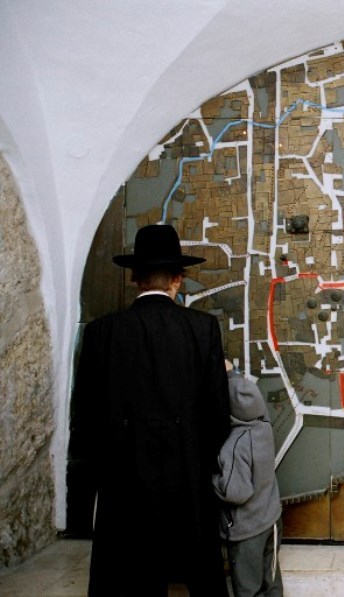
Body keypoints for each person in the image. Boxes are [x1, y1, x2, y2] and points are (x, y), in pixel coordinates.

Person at [70, 224, 231, 596]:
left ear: (134, 278)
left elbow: (87, 415)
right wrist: (196, 457)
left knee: (126, 573)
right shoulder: (203, 328)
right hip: (187, 475)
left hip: (124, 479)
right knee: (200, 572)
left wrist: (105, 468)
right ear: (178, 279)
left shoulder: (101, 333)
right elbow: (217, 412)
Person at [213, 361, 283, 596]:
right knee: (271, 582)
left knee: (248, 589)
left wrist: (214, 479)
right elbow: (241, 391)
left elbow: (237, 492)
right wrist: (231, 373)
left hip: (247, 531)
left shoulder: (234, 446)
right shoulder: (263, 427)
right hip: (271, 520)